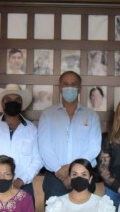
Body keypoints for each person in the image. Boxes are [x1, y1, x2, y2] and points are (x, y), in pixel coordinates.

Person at [37, 71, 101, 201]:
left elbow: (94, 147)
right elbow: (44, 147)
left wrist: (70, 169)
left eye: (73, 84)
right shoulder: (47, 115)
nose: (69, 87)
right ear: (60, 88)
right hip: (55, 177)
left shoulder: (91, 116)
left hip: (84, 176)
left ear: (80, 88)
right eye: (66, 84)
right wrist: (60, 172)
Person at [0, 84, 42, 200]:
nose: (13, 103)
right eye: (8, 100)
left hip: (23, 186)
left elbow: (37, 160)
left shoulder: (32, 129)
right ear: (2, 103)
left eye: (17, 100)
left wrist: (21, 180)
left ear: (21, 104)